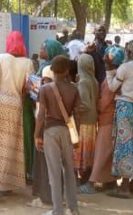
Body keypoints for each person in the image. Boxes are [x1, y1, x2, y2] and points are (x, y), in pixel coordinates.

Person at [35, 55, 81, 215]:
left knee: (54, 173)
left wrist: (37, 135)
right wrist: (77, 137)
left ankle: (57, 210)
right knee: (70, 170)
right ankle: (73, 208)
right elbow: (77, 115)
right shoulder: (74, 89)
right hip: (67, 132)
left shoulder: (45, 89)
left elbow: (41, 115)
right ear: (67, 70)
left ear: (52, 70)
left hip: (50, 130)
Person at [0, 31, 35, 195]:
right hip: (17, 104)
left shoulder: (1, 58)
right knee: (13, 145)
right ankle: (8, 183)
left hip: (1, 102)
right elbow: (27, 88)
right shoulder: (28, 63)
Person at [29, 39, 67, 209]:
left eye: (44, 47)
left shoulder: (48, 71)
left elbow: (42, 111)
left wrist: (37, 133)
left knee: (47, 162)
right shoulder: (61, 74)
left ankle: (47, 197)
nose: (40, 49)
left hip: (46, 126)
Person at [108, 40, 133, 198]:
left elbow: (112, 87)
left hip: (124, 106)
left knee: (124, 144)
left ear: (129, 51)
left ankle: (124, 185)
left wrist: (109, 72)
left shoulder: (124, 68)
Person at [90, 46, 125, 191]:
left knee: (102, 151)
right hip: (110, 118)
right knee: (108, 151)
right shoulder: (115, 75)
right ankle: (109, 180)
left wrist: (95, 107)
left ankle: (92, 182)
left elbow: (105, 101)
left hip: (107, 118)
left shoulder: (113, 77)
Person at [75, 53, 99, 193]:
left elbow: (85, 104)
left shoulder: (84, 81)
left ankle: (83, 181)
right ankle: (87, 180)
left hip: (84, 121)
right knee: (89, 151)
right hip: (92, 120)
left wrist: (74, 108)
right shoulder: (93, 80)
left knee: (82, 151)